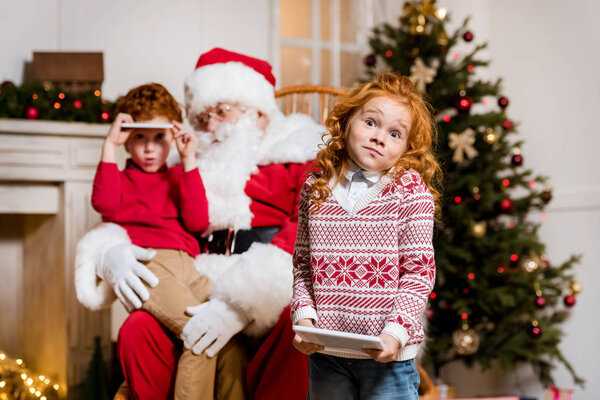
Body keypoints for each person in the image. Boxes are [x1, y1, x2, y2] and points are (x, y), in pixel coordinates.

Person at [74, 48, 325, 399]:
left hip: (269, 278)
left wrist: (239, 304)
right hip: (198, 273)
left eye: (222, 112)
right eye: (203, 117)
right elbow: (137, 210)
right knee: (138, 328)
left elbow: (310, 229)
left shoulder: (301, 153)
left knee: (293, 320)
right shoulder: (182, 160)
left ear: (258, 111)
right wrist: (107, 251)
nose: (212, 127)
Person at [291, 72, 441, 400]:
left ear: (406, 148)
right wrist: (304, 317)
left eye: (395, 133)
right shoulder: (315, 187)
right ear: (346, 122)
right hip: (327, 353)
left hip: (387, 355)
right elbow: (302, 266)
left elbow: (418, 275)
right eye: (371, 123)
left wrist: (394, 333)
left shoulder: (410, 192)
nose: (379, 137)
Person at [91, 82, 244, 399]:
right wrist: (108, 146)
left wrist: (188, 159)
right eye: (139, 138)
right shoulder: (119, 179)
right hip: (150, 264)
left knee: (231, 345)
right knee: (200, 332)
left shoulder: (179, 176)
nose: (149, 149)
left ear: (173, 137)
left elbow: (198, 221)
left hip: (192, 267)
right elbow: (104, 206)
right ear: (126, 140)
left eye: (159, 138)